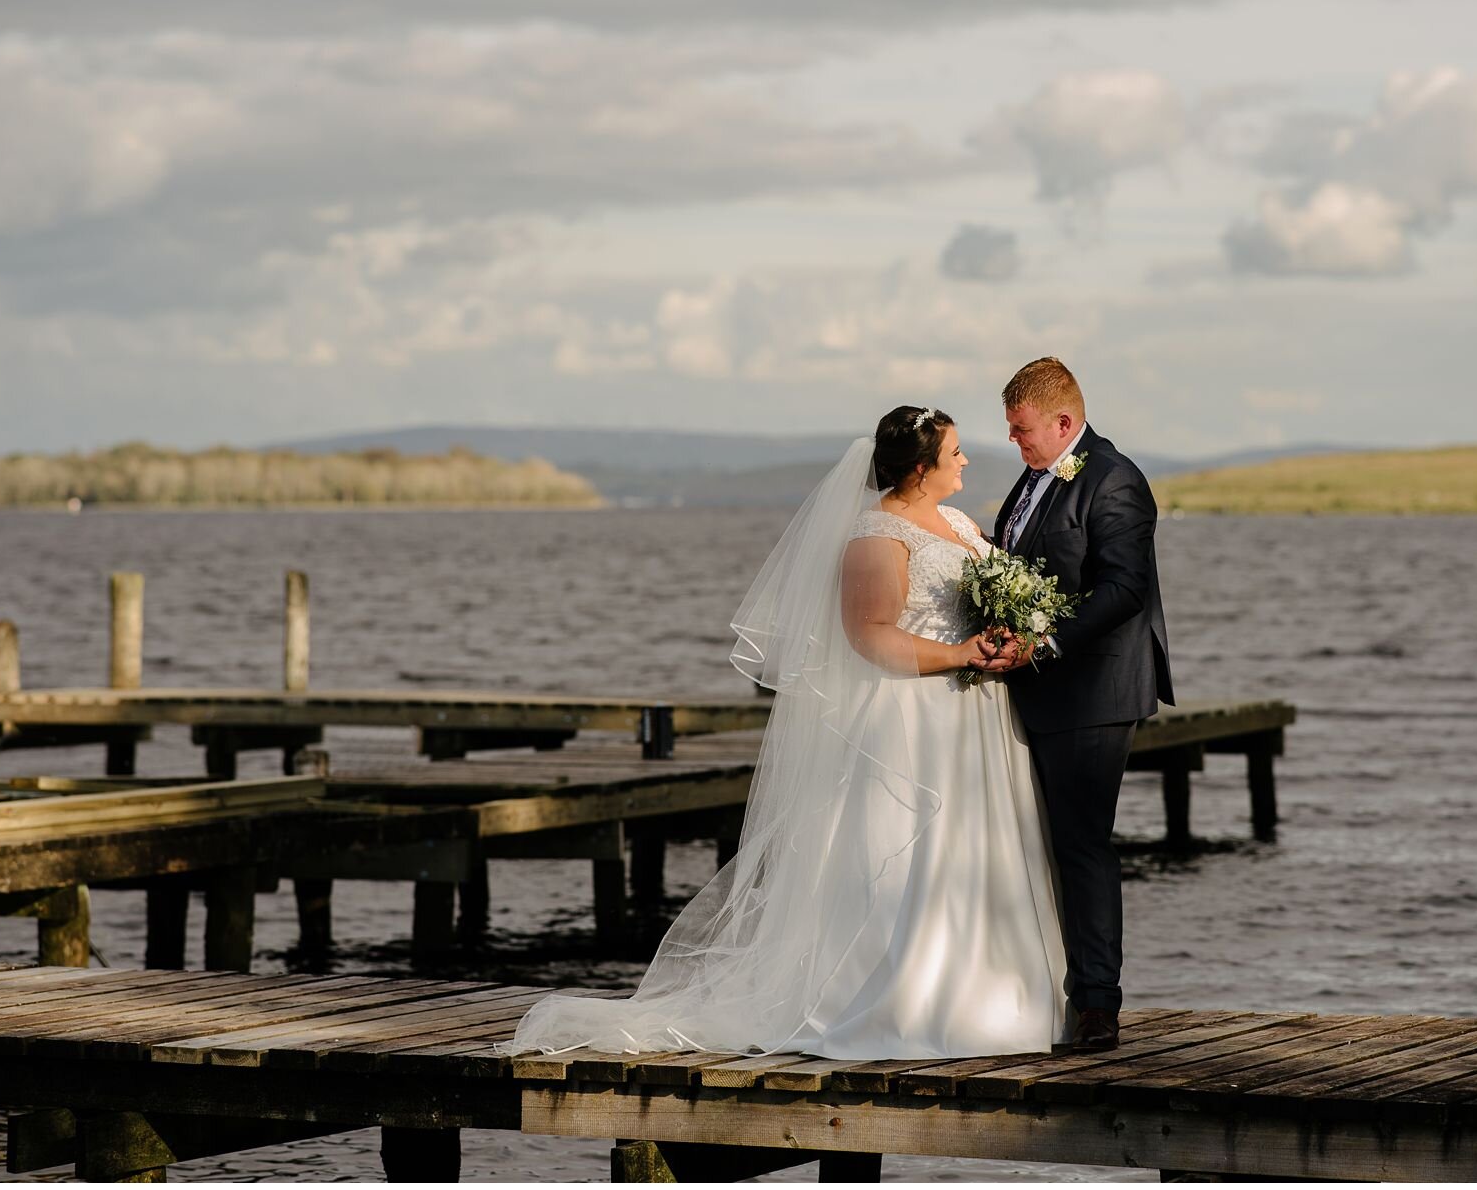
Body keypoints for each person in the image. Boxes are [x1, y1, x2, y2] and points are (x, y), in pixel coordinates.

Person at [498, 406, 1073, 1059]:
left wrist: (1003, 637)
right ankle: (909, 999)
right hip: (916, 719)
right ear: (920, 469)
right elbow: (870, 637)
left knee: (980, 853)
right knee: (910, 857)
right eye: (954, 453)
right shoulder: (875, 535)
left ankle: (994, 997)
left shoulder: (963, 524)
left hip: (975, 719)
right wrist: (963, 654)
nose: (965, 461)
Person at [983, 357, 1175, 1052]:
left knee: (1082, 843)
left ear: (1064, 422)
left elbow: (1123, 587)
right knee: (1043, 840)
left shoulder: (1113, 477)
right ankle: (1040, 989)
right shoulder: (1035, 477)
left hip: (1094, 687)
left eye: (1021, 429)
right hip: (1037, 685)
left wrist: (1042, 644)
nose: (1014, 441)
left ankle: (1097, 1005)